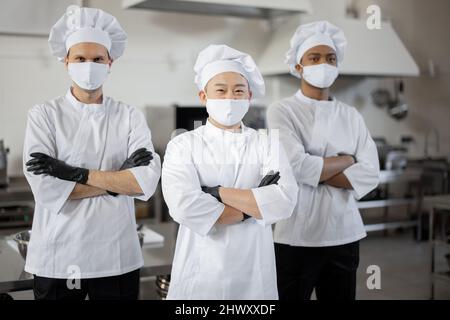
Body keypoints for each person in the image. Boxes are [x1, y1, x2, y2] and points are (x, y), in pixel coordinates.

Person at [23, 6, 161, 300]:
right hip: (59, 254)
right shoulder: (44, 115)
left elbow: (143, 183)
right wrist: (114, 183)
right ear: (66, 62)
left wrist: (74, 174)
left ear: (110, 62)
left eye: (97, 59)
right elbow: (46, 188)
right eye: (80, 58)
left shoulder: (129, 116)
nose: (89, 65)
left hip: (116, 255)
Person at [162, 44, 298, 299]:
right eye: (220, 90)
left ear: (249, 97)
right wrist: (256, 205)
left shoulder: (267, 143)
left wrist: (216, 193)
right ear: (203, 96)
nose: (230, 98)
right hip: (201, 271)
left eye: (238, 91)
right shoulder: (183, 144)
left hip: (254, 270)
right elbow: (183, 206)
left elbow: (285, 201)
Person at [267, 21, 380, 300]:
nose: (323, 64)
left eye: (330, 58)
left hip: (344, 234)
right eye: (314, 58)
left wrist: (314, 168)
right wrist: (347, 160)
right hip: (296, 236)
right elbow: (295, 167)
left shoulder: (351, 115)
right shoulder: (282, 111)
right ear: (298, 66)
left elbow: (371, 173)